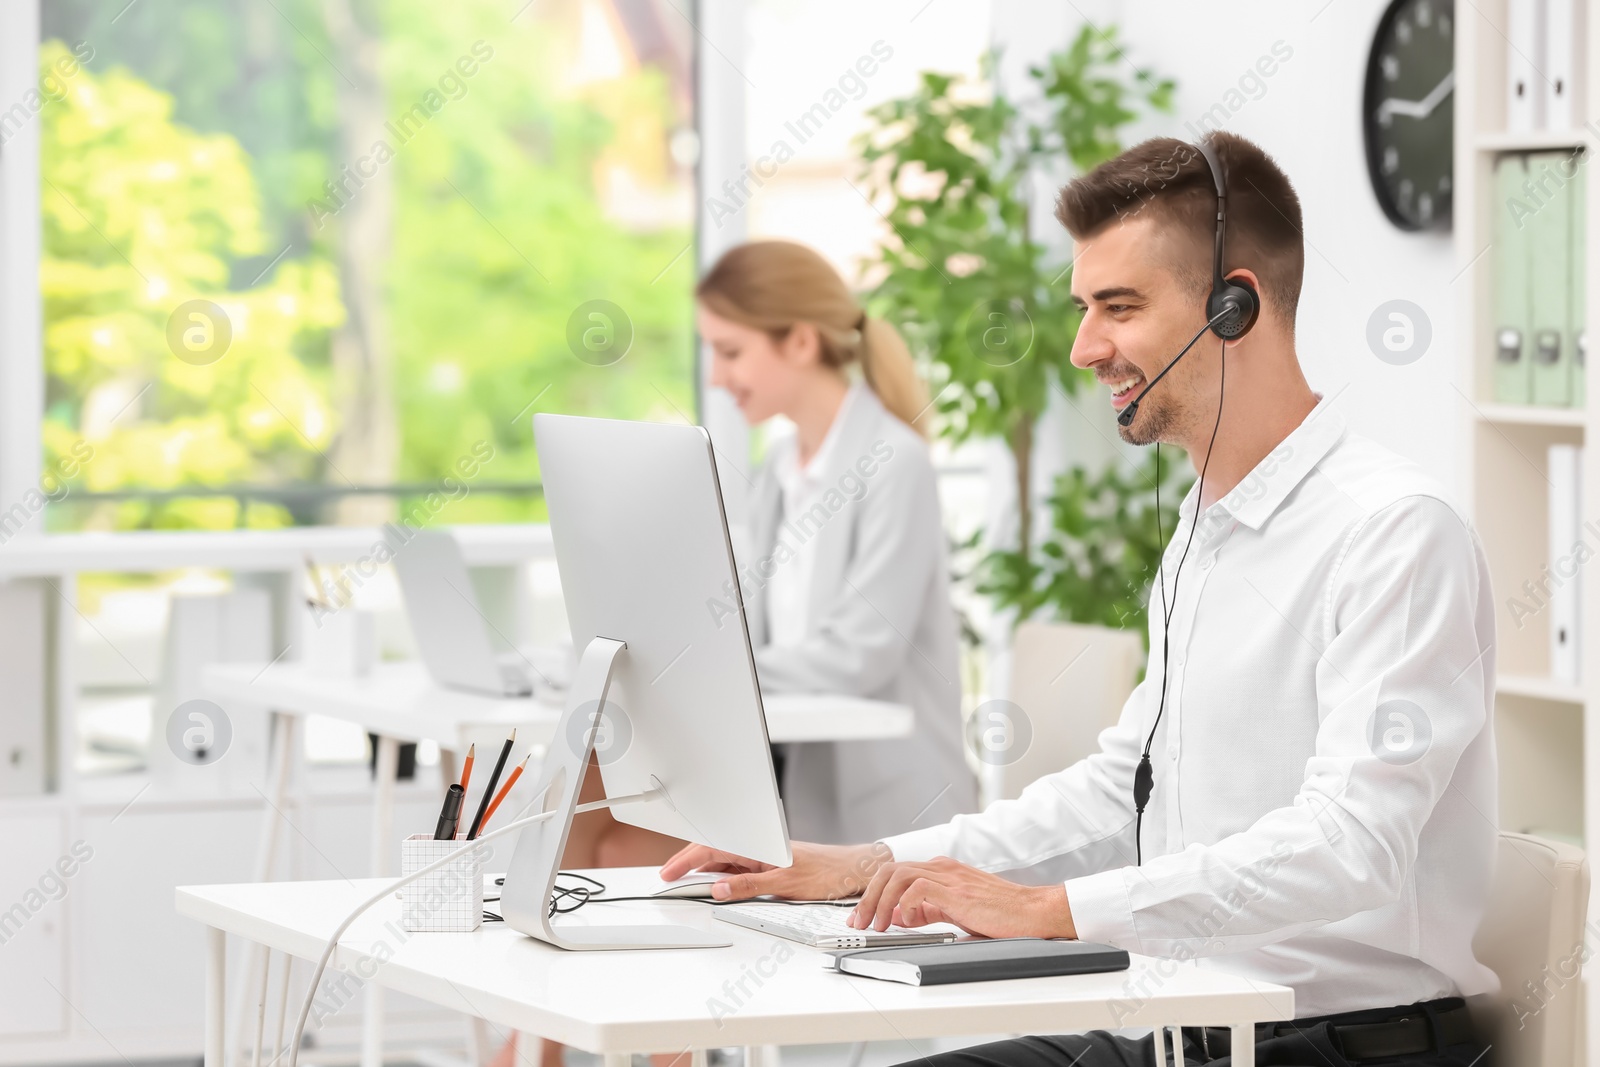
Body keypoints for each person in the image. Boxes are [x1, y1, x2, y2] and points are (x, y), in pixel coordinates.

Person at [660, 133, 1498, 1067]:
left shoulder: (1393, 529)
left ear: (1235, 306)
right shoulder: (1204, 532)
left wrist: (1051, 911)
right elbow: (1116, 789)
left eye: (1120, 307)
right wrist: (869, 862)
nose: (1084, 346)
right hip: (1185, 1029)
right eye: (1083, 307)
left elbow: (1353, 841)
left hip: (1339, 1044)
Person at [534, 239, 978, 1067]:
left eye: (732, 350)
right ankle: (559, 1049)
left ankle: (559, 1054)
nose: (721, 375)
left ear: (799, 341)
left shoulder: (895, 464)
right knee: (610, 795)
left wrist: (715, 668)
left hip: (875, 799)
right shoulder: (783, 470)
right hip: (792, 772)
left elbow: (859, 655)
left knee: (638, 823)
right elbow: (759, 638)